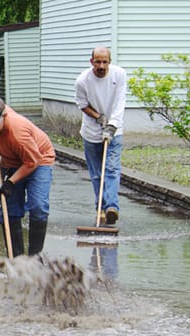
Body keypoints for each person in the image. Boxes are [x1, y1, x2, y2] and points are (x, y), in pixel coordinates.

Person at [0, 95, 55, 257]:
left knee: (38, 206)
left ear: (4, 117)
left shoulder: (18, 134)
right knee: (10, 208)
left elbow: (31, 162)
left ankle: (35, 257)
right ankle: (16, 258)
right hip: (11, 160)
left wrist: (10, 182)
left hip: (39, 159)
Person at [74, 46, 127, 225]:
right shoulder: (82, 81)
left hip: (115, 129)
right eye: (98, 61)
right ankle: (101, 207)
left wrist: (112, 125)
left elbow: (120, 103)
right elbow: (82, 104)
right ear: (92, 62)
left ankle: (112, 207)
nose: (101, 65)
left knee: (111, 169)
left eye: (105, 61)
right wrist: (99, 117)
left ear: (110, 62)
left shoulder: (119, 75)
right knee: (97, 174)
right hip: (91, 132)